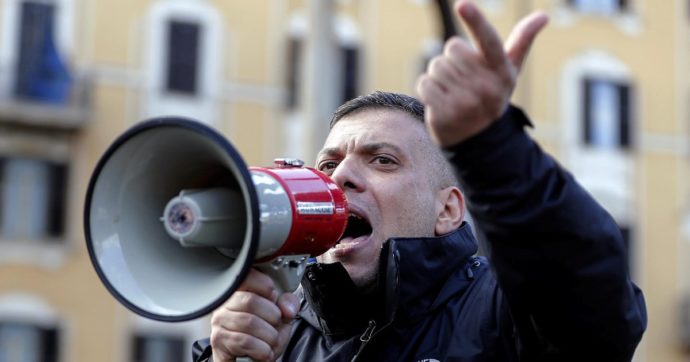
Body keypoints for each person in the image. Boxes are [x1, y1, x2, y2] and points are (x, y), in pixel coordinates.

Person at [193, 1, 647, 361]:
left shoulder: (500, 313)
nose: (342, 177)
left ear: (447, 210)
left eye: (383, 160)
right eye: (328, 165)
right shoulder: (283, 328)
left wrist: (494, 147)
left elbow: (593, 312)